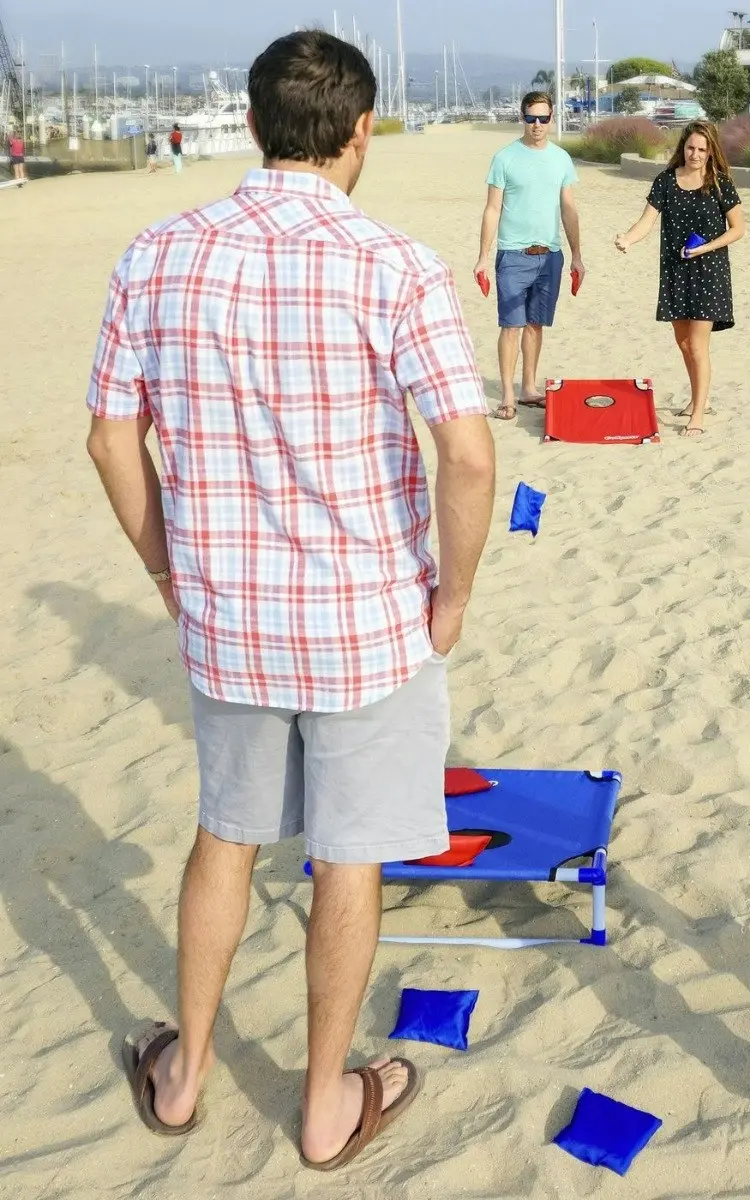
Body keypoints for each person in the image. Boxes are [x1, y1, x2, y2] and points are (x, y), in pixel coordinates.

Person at [85, 31, 495, 1171]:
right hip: (368, 617)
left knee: (228, 837)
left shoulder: (159, 252)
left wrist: (167, 566)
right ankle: (324, 1104)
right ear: (360, 131)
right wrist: (452, 592)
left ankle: (183, 1072)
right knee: (347, 855)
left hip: (229, 615)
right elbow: (466, 456)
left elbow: (111, 439)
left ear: (260, 124)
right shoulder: (396, 264)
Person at [615, 121, 745, 437]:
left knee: (698, 346)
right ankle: (696, 398)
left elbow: (738, 229)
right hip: (675, 271)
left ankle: (698, 414)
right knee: (684, 342)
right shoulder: (665, 182)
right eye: (690, 148)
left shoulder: (720, 183)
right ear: (682, 148)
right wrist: (628, 239)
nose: (695, 154)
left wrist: (706, 248)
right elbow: (646, 221)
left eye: (702, 149)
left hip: (709, 273)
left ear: (711, 151)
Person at [473, 91, 584, 421]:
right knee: (511, 326)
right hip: (513, 255)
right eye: (530, 118)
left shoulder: (561, 159)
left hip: (550, 255)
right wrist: (483, 256)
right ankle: (507, 394)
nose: (537, 125)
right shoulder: (505, 158)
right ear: (522, 118)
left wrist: (577, 255)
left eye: (543, 118)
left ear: (552, 118)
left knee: (535, 325)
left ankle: (528, 388)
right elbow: (492, 209)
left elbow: (569, 208)